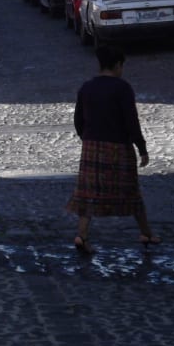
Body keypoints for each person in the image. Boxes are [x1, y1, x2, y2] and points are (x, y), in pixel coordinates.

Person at [66, 45, 161, 255]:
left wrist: (87, 138)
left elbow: (78, 120)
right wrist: (142, 148)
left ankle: (81, 235)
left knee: (88, 194)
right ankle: (146, 232)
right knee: (131, 192)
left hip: (92, 146)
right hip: (118, 146)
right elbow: (131, 122)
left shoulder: (86, 88)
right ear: (118, 65)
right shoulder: (122, 88)